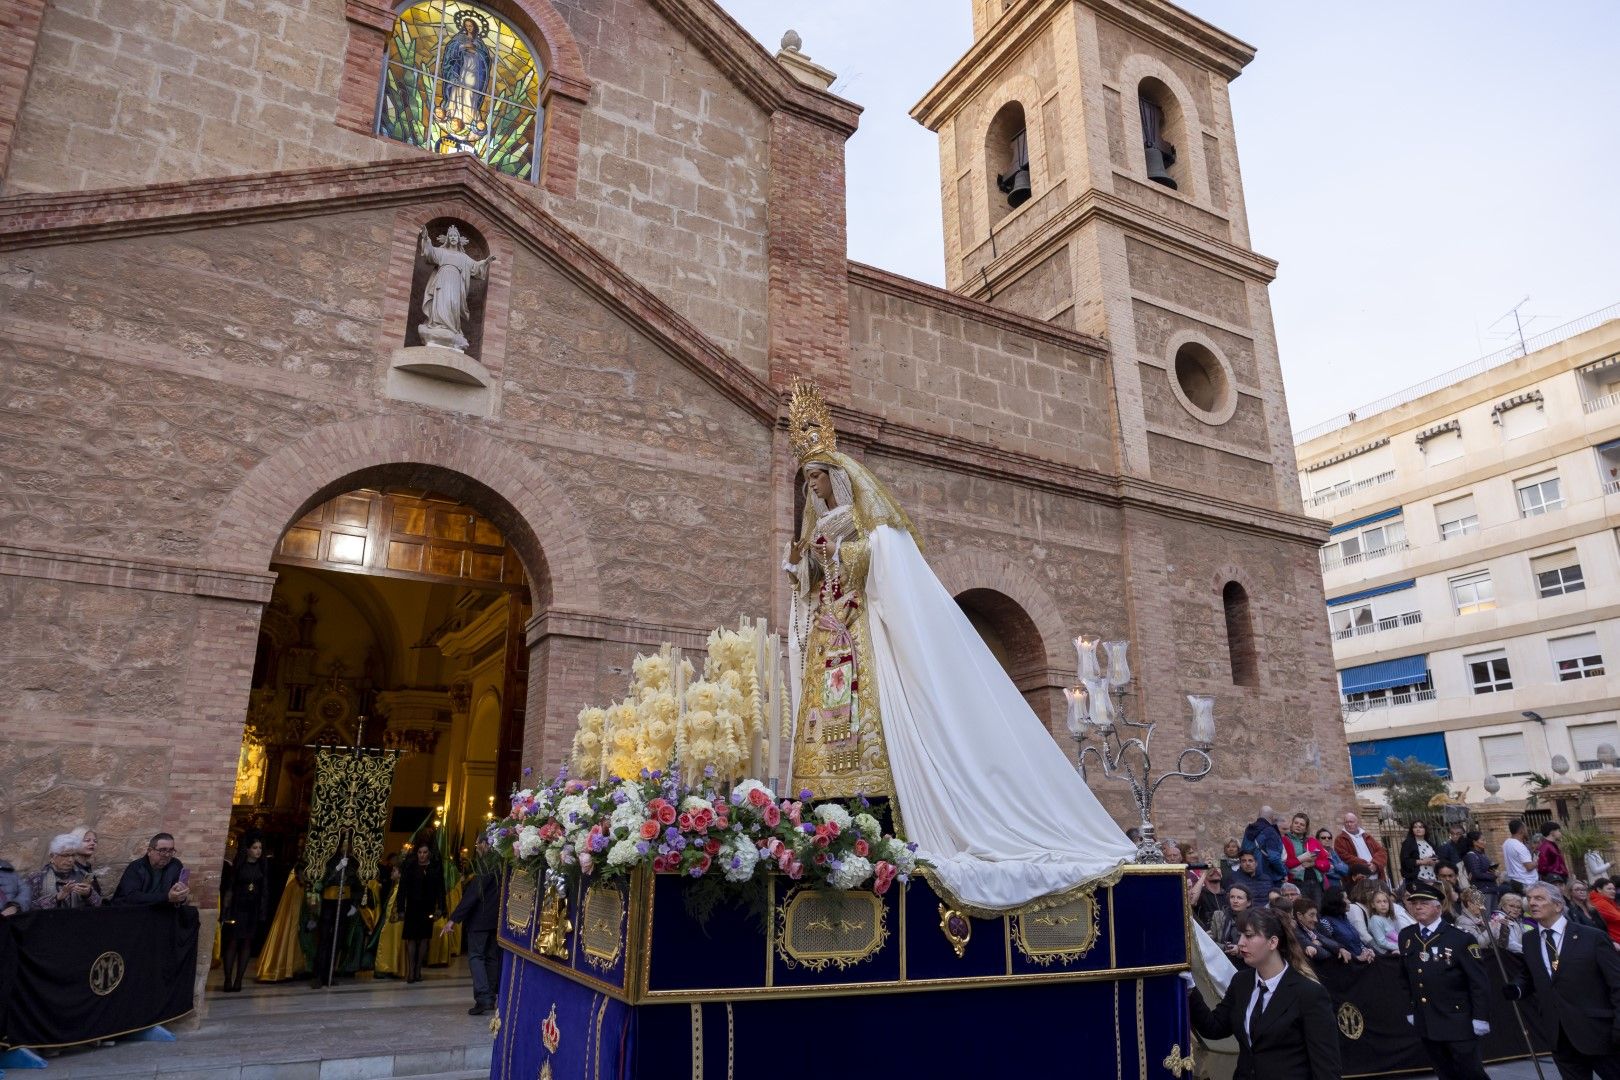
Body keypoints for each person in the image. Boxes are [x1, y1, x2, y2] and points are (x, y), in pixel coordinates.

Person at [782, 379, 1137, 912]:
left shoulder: (864, 522)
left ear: (837, 478)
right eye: (807, 482)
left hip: (860, 636)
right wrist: (803, 566)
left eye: (818, 478)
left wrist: (841, 553)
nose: (814, 490)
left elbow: (877, 571)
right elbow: (813, 583)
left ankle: (879, 811)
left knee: (869, 716)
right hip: (831, 640)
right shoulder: (819, 528)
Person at [1186, 907, 1342, 1079]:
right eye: (1241, 935)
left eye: (1250, 936)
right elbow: (1214, 1028)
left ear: (1273, 942)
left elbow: (1326, 1068)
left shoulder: (1309, 993)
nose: (1241, 943)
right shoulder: (1241, 982)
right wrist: (1189, 989)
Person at [1505, 882, 1620, 1079]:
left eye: (1539, 898)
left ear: (1558, 905)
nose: (1532, 903)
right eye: (1530, 899)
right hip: (1559, 1035)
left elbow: (1617, 984)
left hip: (1598, 1032)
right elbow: (1530, 975)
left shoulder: (1592, 937)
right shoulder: (1530, 940)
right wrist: (1517, 988)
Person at [1397, 880, 1490, 1080]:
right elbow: (1405, 978)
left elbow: (1478, 982)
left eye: (1424, 902)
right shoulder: (1407, 936)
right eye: (1414, 903)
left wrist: (1480, 1017)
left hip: (1457, 1019)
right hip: (1426, 1018)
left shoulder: (1459, 938)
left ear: (1438, 907)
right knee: (1444, 1072)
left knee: (1470, 1073)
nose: (1418, 906)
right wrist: (1410, 1009)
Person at [442, 835, 501, 1015]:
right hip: (495, 920)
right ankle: (490, 996)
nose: (476, 848)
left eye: (478, 844)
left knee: (476, 956)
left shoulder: (486, 864)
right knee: (491, 957)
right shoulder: (502, 863)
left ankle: (483, 997)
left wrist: (454, 918)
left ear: (486, 843)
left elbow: (474, 893)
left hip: (480, 919)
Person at [310, 835, 365, 988]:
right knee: (324, 940)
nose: (346, 848)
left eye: (349, 845)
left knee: (338, 940)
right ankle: (318, 975)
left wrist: (354, 904)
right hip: (329, 903)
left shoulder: (354, 863)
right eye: (344, 845)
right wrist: (338, 868)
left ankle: (330, 974)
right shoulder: (330, 861)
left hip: (344, 903)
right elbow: (324, 882)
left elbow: (358, 886)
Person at [220, 832, 270, 992]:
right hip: (238, 906)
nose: (258, 851)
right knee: (233, 942)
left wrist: (262, 910)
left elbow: (265, 890)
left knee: (247, 943)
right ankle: (228, 978)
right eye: (255, 848)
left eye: (260, 848)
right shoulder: (239, 866)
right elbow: (230, 888)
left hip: (253, 908)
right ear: (247, 849)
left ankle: (239, 980)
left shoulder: (262, 867)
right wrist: (226, 910)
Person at [398, 842, 445, 983]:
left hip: (427, 907)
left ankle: (418, 969)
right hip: (412, 906)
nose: (422, 855)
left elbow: (440, 889)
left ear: (429, 853)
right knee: (411, 938)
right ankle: (411, 971)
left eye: (425, 852)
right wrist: (400, 908)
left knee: (424, 938)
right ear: (416, 853)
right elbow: (402, 889)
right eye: (420, 852)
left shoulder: (435, 867)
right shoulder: (410, 867)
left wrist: (440, 908)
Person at [28, 833, 104, 910]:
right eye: (65, 855)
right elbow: (27, 908)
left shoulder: (84, 875)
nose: (70, 860)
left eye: (73, 855)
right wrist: (56, 898)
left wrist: (89, 894)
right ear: (52, 856)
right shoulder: (37, 878)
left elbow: (99, 905)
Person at [112, 832, 189, 906]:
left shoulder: (175, 865)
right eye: (162, 850)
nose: (167, 854)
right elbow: (131, 897)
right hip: (136, 909)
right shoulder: (136, 867)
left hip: (162, 908)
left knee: (191, 913)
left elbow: (176, 895)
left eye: (171, 850)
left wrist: (180, 896)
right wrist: (167, 897)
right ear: (149, 851)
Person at [1319, 888, 1374, 963]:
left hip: (1361, 961)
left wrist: (1367, 951)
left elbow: (1357, 942)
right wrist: (1357, 958)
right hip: (1348, 965)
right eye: (1346, 898)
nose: (1349, 901)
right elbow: (1331, 947)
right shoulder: (1325, 922)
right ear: (1337, 901)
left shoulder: (1344, 918)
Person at [1282, 812, 1328, 901]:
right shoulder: (1285, 840)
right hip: (1296, 882)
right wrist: (1302, 859)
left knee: (1316, 911)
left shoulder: (1313, 841)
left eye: (1302, 824)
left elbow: (1326, 864)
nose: (1298, 826)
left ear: (1306, 828)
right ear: (1291, 825)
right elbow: (1286, 864)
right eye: (1296, 823)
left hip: (1316, 882)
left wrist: (1314, 863)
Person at [1242, 806, 1288, 894]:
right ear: (1271, 817)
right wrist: (1284, 872)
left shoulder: (1249, 829)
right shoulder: (1270, 832)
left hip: (1249, 875)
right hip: (1269, 878)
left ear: (1258, 816)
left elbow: (1243, 851)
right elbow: (1274, 858)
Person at [1294, 898, 1351, 964]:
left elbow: (1325, 940)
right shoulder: (1296, 931)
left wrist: (1340, 948)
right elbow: (1324, 955)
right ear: (1299, 915)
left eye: (1315, 915)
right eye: (1311, 915)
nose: (1316, 920)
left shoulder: (1310, 929)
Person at [1336, 811, 1388, 883]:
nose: (1349, 824)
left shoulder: (1367, 836)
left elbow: (1381, 851)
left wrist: (1375, 864)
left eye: (1351, 822)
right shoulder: (1340, 839)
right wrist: (1365, 865)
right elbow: (1344, 856)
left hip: (1378, 878)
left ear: (1357, 823)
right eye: (1346, 822)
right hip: (1357, 880)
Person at [1213, 883, 1253, 959]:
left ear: (1248, 903)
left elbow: (1256, 946)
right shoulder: (1218, 915)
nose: (1235, 901)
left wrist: (1239, 950)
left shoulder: (1254, 919)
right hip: (1222, 959)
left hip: (1246, 962)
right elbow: (1210, 942)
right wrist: (1225, 947)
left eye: (1239, 898)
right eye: (1232, 897)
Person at [1461, 831, 1498, 911]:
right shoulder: (1471, 856)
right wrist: (1493, 876)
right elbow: (1476, 873)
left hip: (1491, 889)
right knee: (1486, 916)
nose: (1485, 842)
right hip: (1482, 891)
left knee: (1495, 917)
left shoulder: (1482, 855)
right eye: (1482, 840)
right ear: (1474, 842)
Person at [69, 827, 106, 902]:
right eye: (87, 840)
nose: (92, 843)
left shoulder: (87, 867)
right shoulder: (68, 867)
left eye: (95, 841)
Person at [1503, 819, 1538, 894]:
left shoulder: (1506, 843)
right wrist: (1537, 861)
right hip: (1526, 882)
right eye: (1525, 828)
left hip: (1514, 881)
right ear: (1521, 830)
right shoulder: (1519, 846)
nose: (1527, 830)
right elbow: (1529, 866)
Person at [1400, 820, 1441, 885]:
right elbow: (1405, 861)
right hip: (1417, 879)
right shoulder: (1408, 843)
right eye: (1415, 827)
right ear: (1412, 830)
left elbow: (1439, 858)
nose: (1418, 829)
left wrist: (1435, 861)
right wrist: (1422, 861)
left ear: (1425, 829)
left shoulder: (1430, 843)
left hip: (1432, 878)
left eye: (1421, 827)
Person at [1366, 889, 1400, 955]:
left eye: (1385, 901)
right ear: (1373, 905)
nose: (1383, 904)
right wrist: (1400, 947)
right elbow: (1381, 942)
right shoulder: (1375, 919)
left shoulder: (1388, 919)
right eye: (1378, 902)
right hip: (1390, 955)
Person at [1315, 828, 1350, 892]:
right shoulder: (1316, 853)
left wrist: (1334, 867)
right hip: (1325, 890)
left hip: (1338, 888)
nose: (1327, 839)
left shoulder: (1333, 853)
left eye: (1329, 838)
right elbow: (1326, 872)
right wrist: (1339, 873)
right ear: (1318, 840)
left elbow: (1346, 870)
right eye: (1323, 838)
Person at [1537, 821, 1571, 885]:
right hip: (1555, 880)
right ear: (1552, 832)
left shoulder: (1552, 845)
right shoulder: (1545, 847)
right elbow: (1542, 867)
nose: (1560, 833)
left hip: (1560, 878)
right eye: (1558, 831)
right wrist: (1555, 874)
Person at [1592, 878, 1620, 948]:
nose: (1613, 891)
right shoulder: (1600, 903)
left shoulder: (1607, 901)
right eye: (1609, 889)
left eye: (1614, 889)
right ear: (1599, 889)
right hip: (1616, 939)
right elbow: (1618, 918)